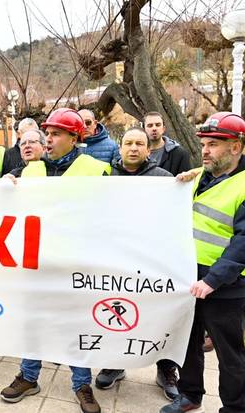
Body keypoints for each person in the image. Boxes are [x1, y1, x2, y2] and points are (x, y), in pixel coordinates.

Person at [160, 112, 245, 413]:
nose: (205, 150)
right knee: (188, 341)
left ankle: (234, 409)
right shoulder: (202, 175)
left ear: (235, 147)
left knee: (230, 353)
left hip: (225, 285)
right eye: (204, 144)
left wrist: (212, 281)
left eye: (213, 144)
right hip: (189, 275)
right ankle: (190, 394)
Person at [0, 108, 107, 413]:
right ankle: (29, 377)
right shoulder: (30, 170)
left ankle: (82, 384)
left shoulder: (96, 169)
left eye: (56, 133)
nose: (49, 139)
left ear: (75, 137)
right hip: (38, 261)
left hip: (77, 262)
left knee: (75, 324)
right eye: (47, 133)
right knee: (34, 322)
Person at [95, 128, 178, 400]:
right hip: (115, 262)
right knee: (117, 313)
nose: (133, 148)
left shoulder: (165, 180)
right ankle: (115, 363)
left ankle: (166, 369)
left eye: (139, 144)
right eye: (128, 143)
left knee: (157, 317)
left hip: (152, 263)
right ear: (120, 149)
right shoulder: (104, 178)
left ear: (148, 149)